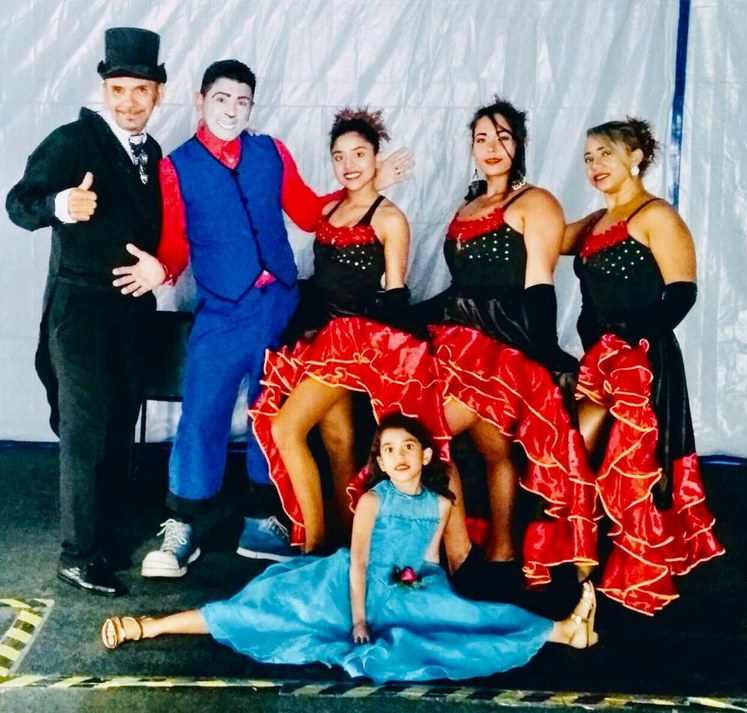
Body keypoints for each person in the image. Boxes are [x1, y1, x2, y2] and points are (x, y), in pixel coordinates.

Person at [111, 63, 411, 578]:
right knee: (202, 411)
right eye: (221, 98)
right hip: (222, 311)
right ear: (200, 100)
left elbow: (308, 213)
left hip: (280, 307)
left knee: (267, 412)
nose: (232, 110)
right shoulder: (177, 166)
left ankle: (262, 516)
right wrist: (161, 268)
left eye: (242, 101)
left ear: (252, 106)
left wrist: (365, 187)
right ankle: (183, 524)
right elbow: (175, 244)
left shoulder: (272, 152)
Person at [100, 413, 597, 684]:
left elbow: (427, 561)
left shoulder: (441, 503)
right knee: (258, 612)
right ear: (380, 461)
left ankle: (563, 631)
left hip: (406, 586)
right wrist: (359, 619)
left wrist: (419, 583)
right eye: (389, 450)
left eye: (408, 448)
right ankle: (149, 626)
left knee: (463, 616)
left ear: (426, 456)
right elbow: (358, 560)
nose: (399, 457)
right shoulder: (374, 500)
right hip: (348, 584)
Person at [5, 28, 167, 596]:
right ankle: (77, 554)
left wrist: (160, 270)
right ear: (104, 90)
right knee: (86, 431)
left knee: (121, 426)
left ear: (158, 93)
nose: (129, 102)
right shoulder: (73, 140)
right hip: (80, 311)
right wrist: (59, 204)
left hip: (132, 312)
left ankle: (103, 538)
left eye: (140, 90)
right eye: (118, 89)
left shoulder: (153, 152)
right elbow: (18, 203)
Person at [249, 108, 451, 553]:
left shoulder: (389, 218)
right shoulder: (332, 208)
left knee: (285, 429)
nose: (349, 164)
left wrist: (398, 356)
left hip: (356, 343)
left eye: (359, 153)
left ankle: (314, 546)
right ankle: (348, 548)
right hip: (320, 337)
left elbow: (395, 292)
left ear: (377, 157)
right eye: (339, 156)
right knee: (338, 442)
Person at [416, 98, 597, 591]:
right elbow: (461, 288)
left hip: (504, 348)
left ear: (519, 144)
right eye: (481, 139)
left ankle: (467, 556)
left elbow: (539, 286)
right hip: (459, 342)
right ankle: (495, 553)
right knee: (491, 448)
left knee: (431, 437)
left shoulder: (536, 202)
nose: (491, 147)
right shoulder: (469, 205)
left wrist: (545, 356)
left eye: (502, 137)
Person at [562, 117, 724, 615]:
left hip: (641, 365)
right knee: (577, 451)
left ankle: (619, 573)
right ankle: (583, 571)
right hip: (600, 362)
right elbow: (544, 235)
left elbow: (682, 293)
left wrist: (634, 345)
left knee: (619, 462)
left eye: (606, 154)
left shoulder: (656, 215)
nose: (595, 165)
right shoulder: (596, 220)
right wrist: (508, 185)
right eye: (588, 157)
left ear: (635, 157)